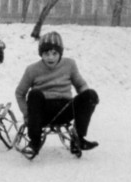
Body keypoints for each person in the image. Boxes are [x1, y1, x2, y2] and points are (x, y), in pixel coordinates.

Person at [14, 30, 100, 158]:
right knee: (34, 94)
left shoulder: (70, 64)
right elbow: (20, 93)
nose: (50, 57)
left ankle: (78, 139)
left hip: (65, 108)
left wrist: (87, 99)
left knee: (91, 94)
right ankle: (35, 142)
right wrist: (27, 114)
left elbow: (81, 85)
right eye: (46, 53)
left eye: (54, 53)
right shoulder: (32, 70)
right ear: (41, 54)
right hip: (42, 111)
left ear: (60, 53)